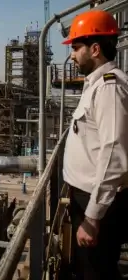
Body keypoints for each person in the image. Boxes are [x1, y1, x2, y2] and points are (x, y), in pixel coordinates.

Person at [62, 9, 128, 280]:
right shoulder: (97, 85)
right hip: (89, 200)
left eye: (76, 47)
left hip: (97, 204)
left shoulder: (109, 89)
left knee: (95, 272)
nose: (72, 55)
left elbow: (113, 153)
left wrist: (92, 218)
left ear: (96, 48)